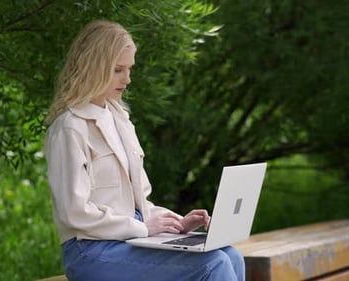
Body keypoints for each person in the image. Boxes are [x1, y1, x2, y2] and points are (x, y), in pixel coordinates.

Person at [44, 19, 245, 281]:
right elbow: (74, 212)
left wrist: (175, 222)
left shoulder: (119, 119)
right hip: (90, 251)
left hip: (128, 239)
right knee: (212, 264)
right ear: (94, 67)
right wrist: (141, 228)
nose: (127, 79)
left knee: (231, 255)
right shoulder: (70, 128)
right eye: (118, 70)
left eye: (129, 69)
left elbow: (138, 205)